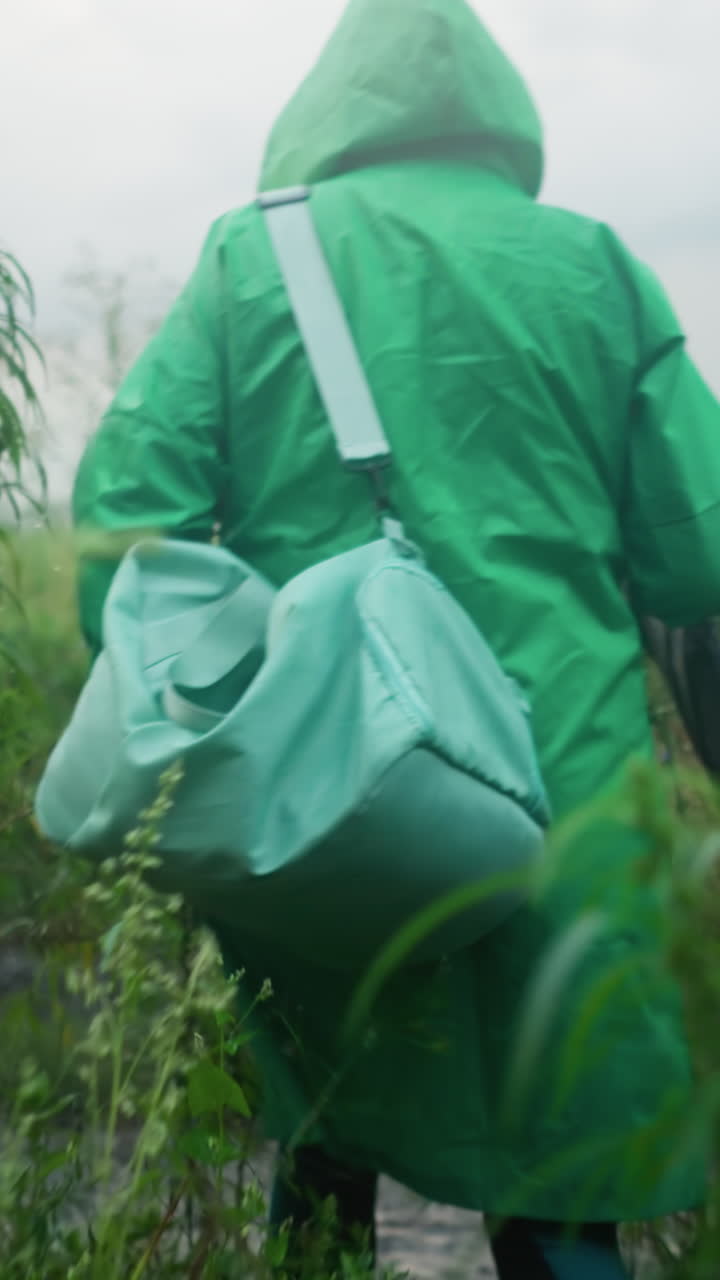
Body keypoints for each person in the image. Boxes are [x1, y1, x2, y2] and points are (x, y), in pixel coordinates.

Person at [72, 0, 720, 1274]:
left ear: (326, 113)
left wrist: (250, 688)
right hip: (561, 792)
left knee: (327, 1120)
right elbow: (696, 554)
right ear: (497, 118)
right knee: (560, 1155)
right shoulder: (592, 264)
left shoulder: (245, 265)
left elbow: (121, 532)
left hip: (321, 791)